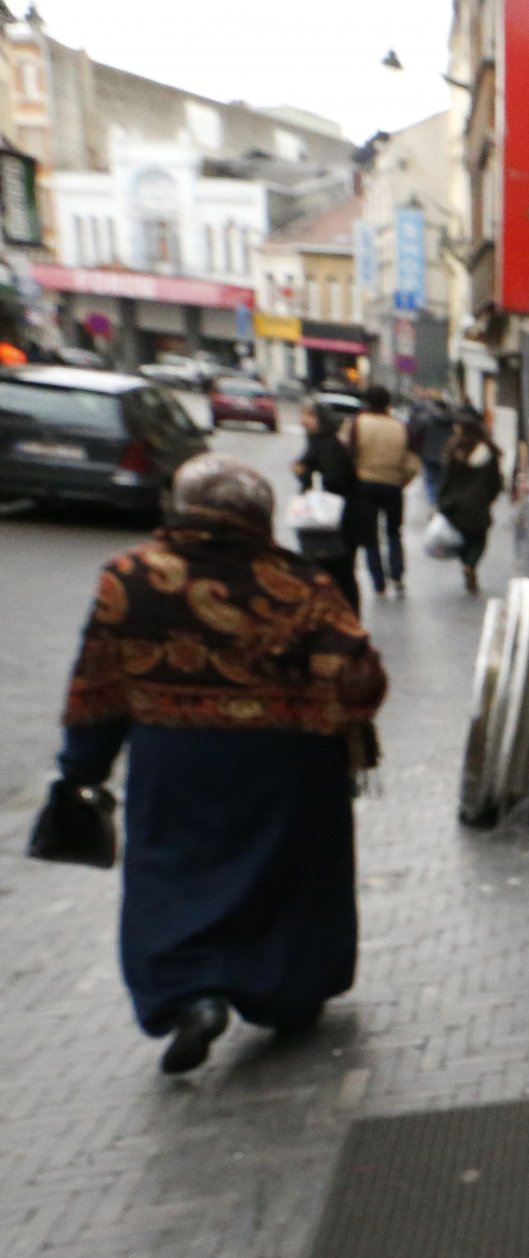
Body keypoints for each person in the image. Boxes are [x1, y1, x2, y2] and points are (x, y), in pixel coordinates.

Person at [54, 455, 387, 1075]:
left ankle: (192, 996)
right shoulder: (300, 584)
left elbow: (95, 687)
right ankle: (289, 996)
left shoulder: (127, 579)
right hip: (287, 765)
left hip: (172, 762)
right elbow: (357, 678)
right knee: (290, 879)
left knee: (172, 877)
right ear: (260, 517)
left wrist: (83, 768)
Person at [344, 386, 420, 599]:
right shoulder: (400, 427)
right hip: (393, 485)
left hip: (364, 484)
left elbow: (349, 454)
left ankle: (378, 582)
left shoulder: (358, 424)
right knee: (394, 532)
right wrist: (402, 480)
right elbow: (412, 461)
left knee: (370, 537)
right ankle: (397, 576)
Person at [291, 401, 363, 614]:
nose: (303, 420)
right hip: (331, 519)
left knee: (338, 570)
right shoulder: (319, 442)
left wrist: (306, 472)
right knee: (333, 570)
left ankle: (345, 615)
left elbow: (334, 479)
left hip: (337, 520)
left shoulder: (327, 444)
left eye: (308, 415)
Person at [434, 408, 504, 595]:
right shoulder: (488, 450)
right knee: (479, 538)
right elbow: (496, 480)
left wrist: (441, 500)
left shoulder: (453, 449)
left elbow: (445, 477)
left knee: (461, 537)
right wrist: (490, 497)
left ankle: (466, 562)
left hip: (454, 503)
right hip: (478, 502)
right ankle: (470, 564)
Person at [408, 390, 454, 506]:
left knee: (430, 480)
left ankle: (432, 503)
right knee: (441, 480)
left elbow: (417, 434)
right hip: (445, 456)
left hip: (428, 454)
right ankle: (440, 501)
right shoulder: (452, 422)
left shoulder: (427, 420)